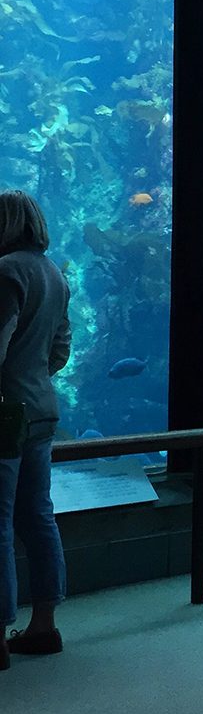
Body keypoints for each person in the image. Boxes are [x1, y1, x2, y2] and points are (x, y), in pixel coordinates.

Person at [0, 191, 71, 671]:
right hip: (41, 409)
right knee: (37, 516)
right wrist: (35, 377)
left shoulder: (6, 271)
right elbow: (61, 348)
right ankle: (44, 624)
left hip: (4, 413)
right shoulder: (54, 272)